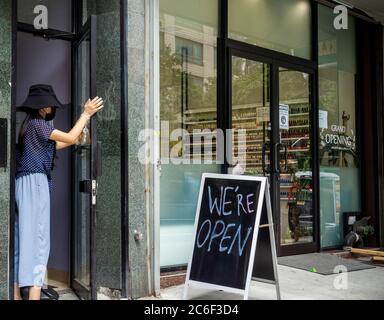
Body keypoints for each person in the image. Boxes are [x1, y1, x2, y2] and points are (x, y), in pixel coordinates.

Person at [14, 84, 103, 300]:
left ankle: (16, 295)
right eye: (51, 105)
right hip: (35, 184)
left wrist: (79, 135)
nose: (53, 108)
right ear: (43, 107)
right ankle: (33, 296)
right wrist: (86, 114)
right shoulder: (39, 124)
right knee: (38, 241)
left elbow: (59, 144)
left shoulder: (29, 127)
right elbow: (70, 138)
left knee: (22, 240)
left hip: (25, 183)